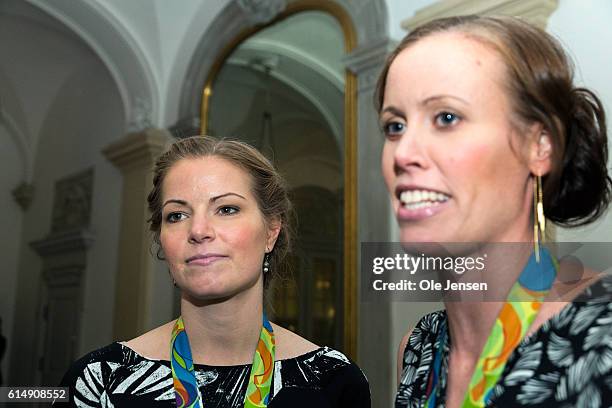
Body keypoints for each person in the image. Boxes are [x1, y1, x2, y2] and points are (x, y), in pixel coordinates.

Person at [376, 15, 612, 407]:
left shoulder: (602, 335)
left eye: (446, 118)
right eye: (395, 126)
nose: (403, 153)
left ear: (541, 147)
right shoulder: (418, 349)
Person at [58, 136, 370, 407]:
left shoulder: (334, 381)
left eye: (227, 209)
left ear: (271, 231)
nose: (198, 230)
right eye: (177, 215)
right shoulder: (98, 381)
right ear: (162, 240)